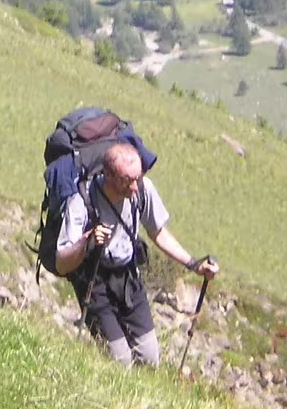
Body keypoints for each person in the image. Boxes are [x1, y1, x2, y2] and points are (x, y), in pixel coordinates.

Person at [54, 140, 218, 366]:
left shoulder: (142, 189)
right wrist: (87, 241)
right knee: (120, 360)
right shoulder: (82, 201)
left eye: (137, 178)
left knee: (149, 359)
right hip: (94, 281)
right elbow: (61, 263)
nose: (133, 187)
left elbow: (158, 233)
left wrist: (194, 264)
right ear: (108, 174)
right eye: (126, 180)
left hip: (128, 279)